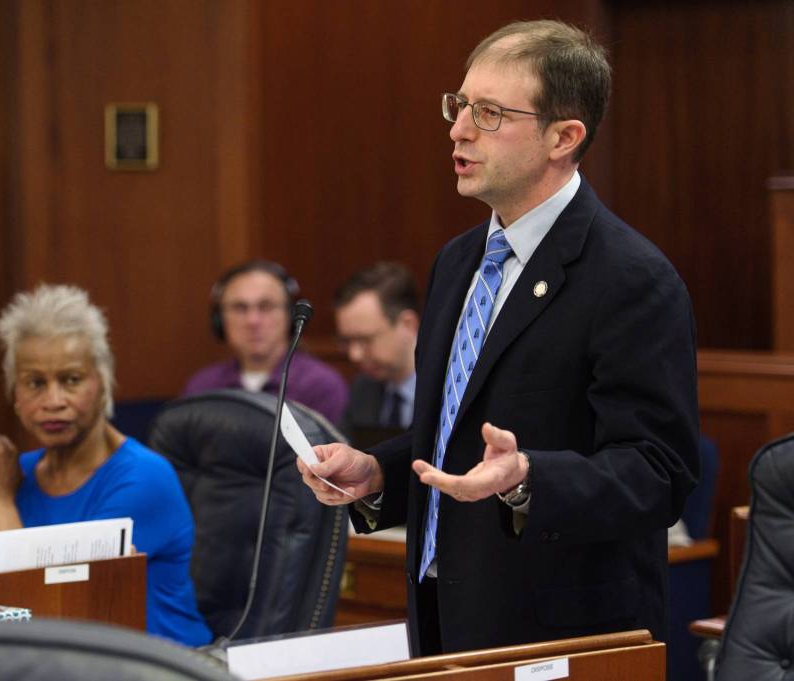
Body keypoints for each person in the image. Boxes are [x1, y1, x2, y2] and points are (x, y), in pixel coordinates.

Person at [298, 20, 699, 656]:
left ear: (563, 138)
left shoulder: (631, 278)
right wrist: (376, 473)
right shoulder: (458, 261)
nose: (458, 130)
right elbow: (454, 437)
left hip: (559, 635)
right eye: (459, 106)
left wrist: (529, 476)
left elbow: (659, 474)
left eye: (489, 114)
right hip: (441, 614)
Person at [0, 284, 212, 647]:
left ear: (103, 384)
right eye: (35, 383)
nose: (53, 401)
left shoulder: (144, 478)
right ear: (14, 395)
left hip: (162, 663)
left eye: (71, 380)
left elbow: (47, 623)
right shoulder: (12, 474)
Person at [182, 259, 348, 425]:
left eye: (266, 306)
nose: (253, 320)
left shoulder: (321, 386)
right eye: (240, 308)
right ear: (219, 319)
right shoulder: (202, 387)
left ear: (290, 315)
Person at [334, 262, 419, 442]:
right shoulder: (363, 388)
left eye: (365, 339)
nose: (354, 355)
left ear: (408, 325)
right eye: (347, 341)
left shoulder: (447, 390)